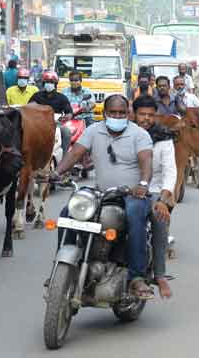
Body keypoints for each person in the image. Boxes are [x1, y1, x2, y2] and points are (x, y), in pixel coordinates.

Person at [55, 94, 156, 300]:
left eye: (121, 113)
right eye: (113, 113)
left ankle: (137, 277)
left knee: (135, 215)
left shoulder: (139, 134)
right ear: (104, 113)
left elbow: (146, 161)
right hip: (101, 192)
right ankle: (62, 269)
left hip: (131, 194)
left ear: (128, 114)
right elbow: (75, 154)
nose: (117, 116)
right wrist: (56, 173)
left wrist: (143, 184)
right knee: (68, 212)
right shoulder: (93, 131)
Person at [132, 95, 176, 299]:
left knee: (159, 220)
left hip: (154, 191)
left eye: (151, 115)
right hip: (125, 190)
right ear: (134, 114)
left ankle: (159, 274)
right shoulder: (124, 134)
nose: (146, 118)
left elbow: (170, 171)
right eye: (142, 114)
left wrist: (163, 198)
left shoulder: (164, 139)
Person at [30, 71, 74, 158]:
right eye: (47, 82)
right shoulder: (37, 96)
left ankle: (64, 158)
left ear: (55, 84)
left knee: (66, 132)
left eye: (51, 82)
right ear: (43, 83)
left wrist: (65, 118)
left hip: (56, 124)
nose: (49, 84)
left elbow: (69, 113)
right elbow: (28, 108)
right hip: (37, 124)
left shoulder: (62, 97)